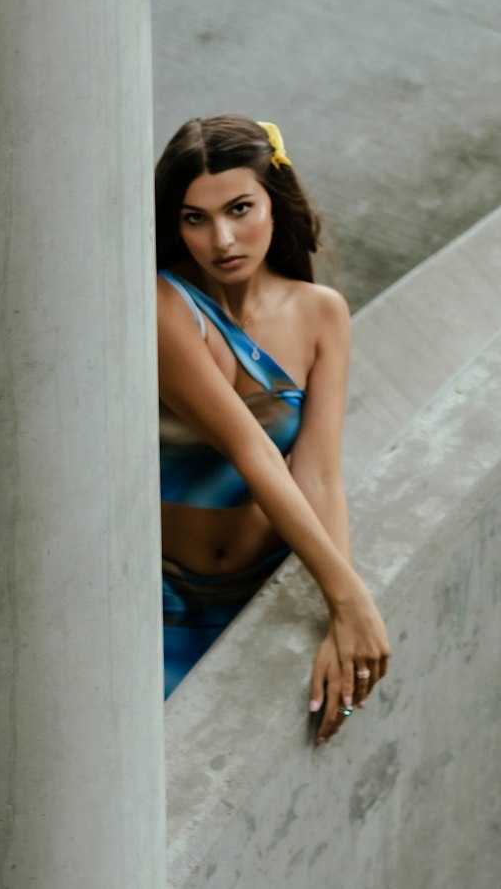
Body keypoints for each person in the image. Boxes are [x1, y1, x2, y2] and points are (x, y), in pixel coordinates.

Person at [155, 113, 389, 739]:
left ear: (274, 201)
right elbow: (251, 452)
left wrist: (335, 611)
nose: (222, 240)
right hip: (162, 607)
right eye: (194, 217)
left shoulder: (321, 313)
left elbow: (319, 472)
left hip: (264, 595)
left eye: (239, 209)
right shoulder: (163, 306)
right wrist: (348, 597)